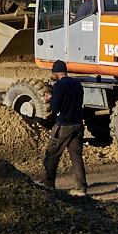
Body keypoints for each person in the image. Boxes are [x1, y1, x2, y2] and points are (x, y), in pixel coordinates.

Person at [41, 60, 88, 196]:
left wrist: (51, 98)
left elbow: (55, 108)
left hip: (64, 126)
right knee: (76, 158)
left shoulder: (59, 85)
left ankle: (48, 185)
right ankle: (81, 188)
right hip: (78, 125)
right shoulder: (77, 84)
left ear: (55, 73)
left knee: (52, 155)